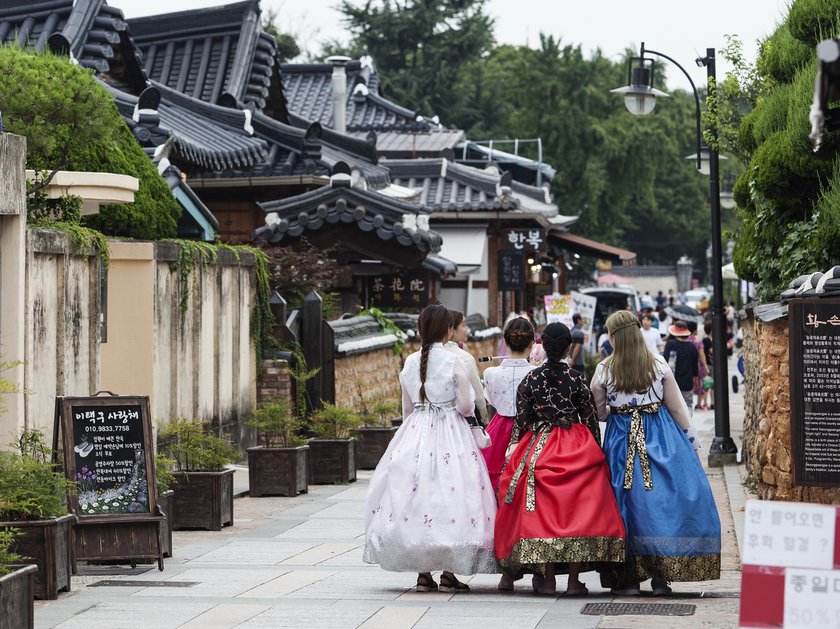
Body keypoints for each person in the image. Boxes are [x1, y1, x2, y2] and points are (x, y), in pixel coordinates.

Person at [363, 304, 498, 591]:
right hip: (451, 433)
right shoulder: (454, 361)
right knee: (451, 496)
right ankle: (449, 569)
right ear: (448, 330)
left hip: (416, 432)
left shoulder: (410, 362)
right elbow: (465, 405)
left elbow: (407, 408)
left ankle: (424, 572)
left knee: (419, 496)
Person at [590, 310, 720, 596]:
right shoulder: (659, 365)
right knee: (662, 501)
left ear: (613, 337)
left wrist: (618, 409)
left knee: (625, 501)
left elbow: (599, 413)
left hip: (621, 440)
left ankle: (628, 579)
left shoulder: (604, 370)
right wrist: (693, 442)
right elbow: (676, 408)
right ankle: (662, 577)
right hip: (661, 436)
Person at [494, 322, 626, 596]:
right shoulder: (577, 379)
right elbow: (590, 420)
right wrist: (596, 452)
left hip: (540, 444)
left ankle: (548, 578)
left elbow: (522, 421)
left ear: (542, 346)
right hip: (575, 444)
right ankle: (574, 581)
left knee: (543, 510)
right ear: (569, 347)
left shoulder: (530, 380)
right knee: (577, 509)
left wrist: (516, 449)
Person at [482, 317, 538, 494]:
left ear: (505, 342)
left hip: (498, 430)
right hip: (529, 430)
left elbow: (491, 400)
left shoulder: (490, 373)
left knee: (494, 478)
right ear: (532, 344)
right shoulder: (536, 374)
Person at [445, 309, 487, 424]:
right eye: (463, 325)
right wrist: (483, 412)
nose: (467, 329)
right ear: (451, 330)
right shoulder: (463, 356)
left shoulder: (462, 347)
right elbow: (476, 387)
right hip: (464, 415)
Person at [663, 321, 699, 414]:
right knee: (688, 405)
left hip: (672, 382)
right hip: (687, 382)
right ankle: (688, 425)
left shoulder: (671, 344)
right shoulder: (692, 347)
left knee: (672, 408)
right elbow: (695, 367)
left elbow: (665, 362)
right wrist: (695, 378)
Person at [686, 321, 709, 411]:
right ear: (694, 330)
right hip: (698, 366)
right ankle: (698, 404)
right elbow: (702, 356)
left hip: (687, 366)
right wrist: (706, 366)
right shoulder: (698, 342)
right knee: (699, 384)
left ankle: (688, 402)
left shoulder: (685, 340)